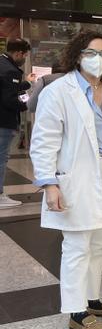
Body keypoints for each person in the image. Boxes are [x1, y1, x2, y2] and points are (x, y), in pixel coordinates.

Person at [30, 31, 102, 329]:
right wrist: (49, 184)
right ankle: (76, 310)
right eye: (91, 53)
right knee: (76, 245)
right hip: (77, 176)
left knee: (100, 243)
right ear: (77, 55)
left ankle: (93, 299)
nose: (98, 60)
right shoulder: (59, 91)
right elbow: (44, 140)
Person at [0, 39, 33, 208]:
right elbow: (11, 100)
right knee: (1, 158)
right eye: (25, 55)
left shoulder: (2, 63)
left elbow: (8, 89)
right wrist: (29, 101)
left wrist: (26, 83)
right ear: (19, 53)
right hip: (4, 122)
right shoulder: (10, 71)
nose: (25, 58)